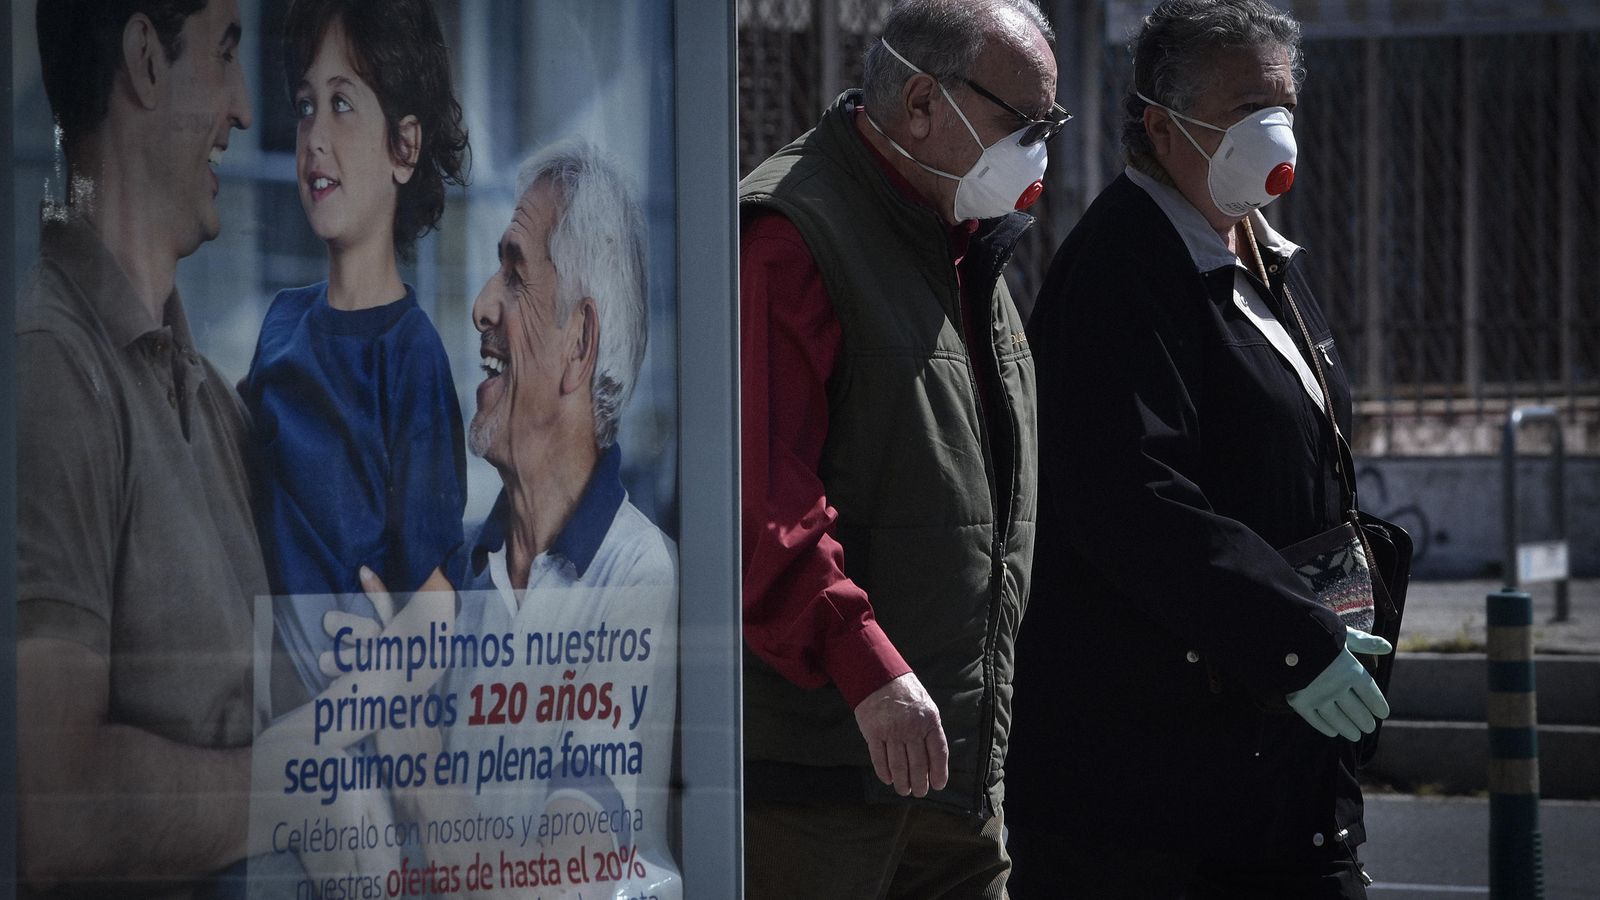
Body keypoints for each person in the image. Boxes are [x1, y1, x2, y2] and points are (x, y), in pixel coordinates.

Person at [1006, 1, 1392, 896]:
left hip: (1276, 764)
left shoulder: (1263, 259)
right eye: (1244, 105)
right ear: (1160, 123)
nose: (1273, 128)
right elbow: (1130, 495)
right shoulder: (1122, 268)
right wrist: (1291, 638)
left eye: (1283, 101)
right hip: (1161, 794)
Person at [15, 1, 385, 895]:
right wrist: (297, 791)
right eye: (225, 53)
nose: (247, 110)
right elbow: (49, 804)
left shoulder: (214, 404)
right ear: (145, 60)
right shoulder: (49, 371)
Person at [737, 0, 1063, 894]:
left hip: (955, 774)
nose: (1040, 151)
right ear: (922, 104)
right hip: (830, 782)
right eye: (1023, 124)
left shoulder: (957, 239)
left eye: (1050, 124)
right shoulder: (794, 234)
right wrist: (866, 667)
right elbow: (763, 499)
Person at [339, 143, 680, 899]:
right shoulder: (457, 569)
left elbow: (559, 882)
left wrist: (415, 758)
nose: (482, 304)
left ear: (579, 344)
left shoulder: (637, 572)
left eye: (515, 273)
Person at [237, 0, 469, 695]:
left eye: (343, 104)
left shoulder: (411, 356)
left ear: (404, 148)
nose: (313, 139)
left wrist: (364, 693)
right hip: (264, 700)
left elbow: (436, 605)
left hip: (351, 730)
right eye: (305, 105)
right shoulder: (280, 323)